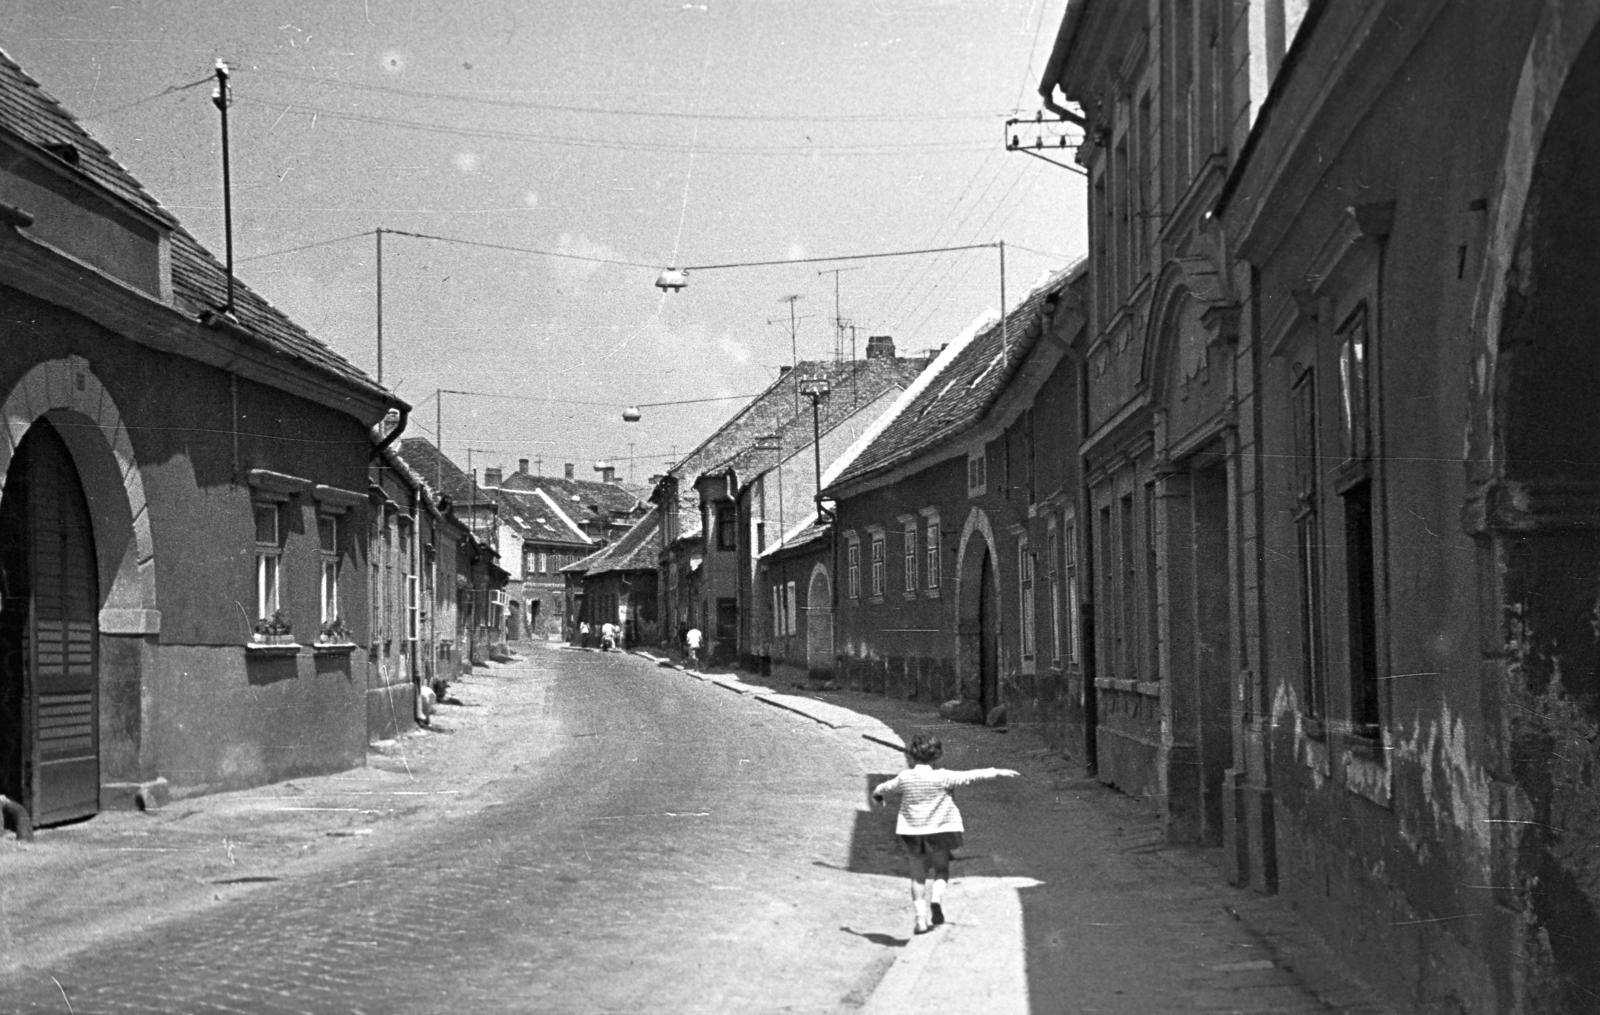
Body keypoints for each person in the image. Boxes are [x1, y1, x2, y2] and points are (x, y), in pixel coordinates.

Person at [872, 733, 1019, 935]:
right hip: (940, 831)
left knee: (917, 877)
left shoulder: (904, 778)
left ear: (913, 756)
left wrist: (877, 796)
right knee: (941, 871)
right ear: (936, 756)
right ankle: (936, 898)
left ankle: (920, 920)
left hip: (912, 832)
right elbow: (970, 775)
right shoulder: (943, 776)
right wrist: (997, 771)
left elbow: (883, 788)